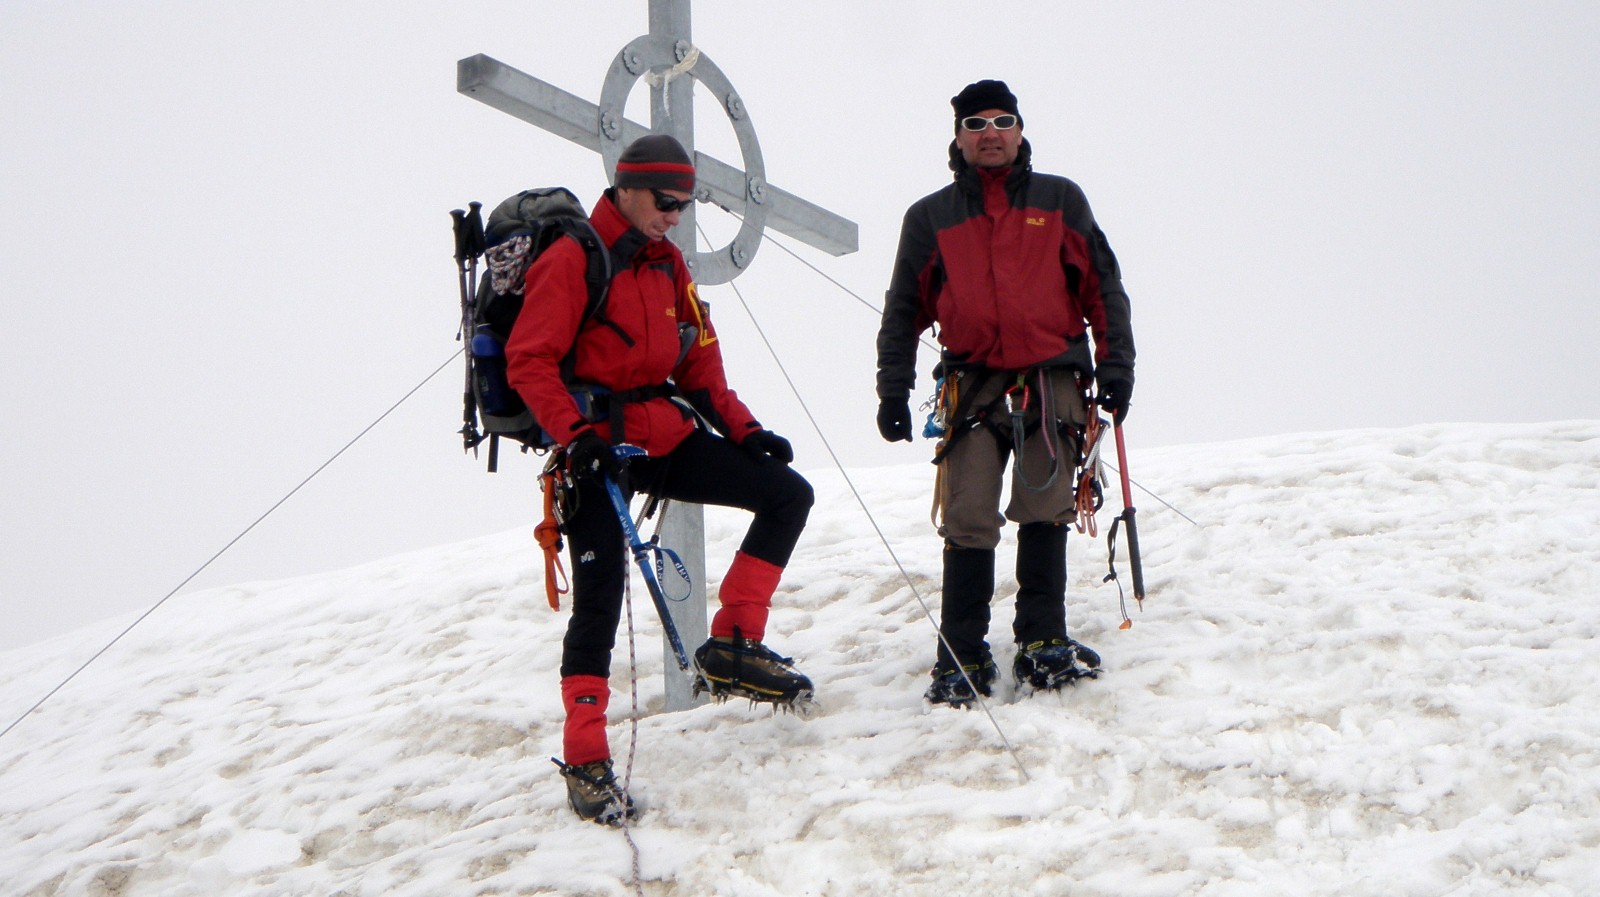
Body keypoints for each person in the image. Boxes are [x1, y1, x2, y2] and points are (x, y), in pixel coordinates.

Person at [505, 134, 815, 824]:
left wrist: (747, 431)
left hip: (660, 435)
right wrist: (576, 438)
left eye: (685, 203)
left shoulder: (669, 266)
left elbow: (699, 369)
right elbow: (530, 362)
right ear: (626, 187)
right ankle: (586, 758)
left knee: (787, 492)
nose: (676, 215)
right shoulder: (574, 258)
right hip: (594, 448)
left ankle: (732, 644)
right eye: (666, 201)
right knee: (598, 603)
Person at [874, 80, 1136, 707]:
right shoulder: (930, 217)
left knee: (1045, 508)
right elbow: (904, 306)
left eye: (1001, 120)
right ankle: (960, 654)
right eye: (975, 123)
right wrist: (893, 387)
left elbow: (1103, 285)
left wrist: (1117, 364)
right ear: (959, 137)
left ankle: (1043, 639)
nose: (989, 132)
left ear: (1020, 130)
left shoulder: (1060, 200)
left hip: (1054, 384)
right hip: (972, 388)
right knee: (967, 518)